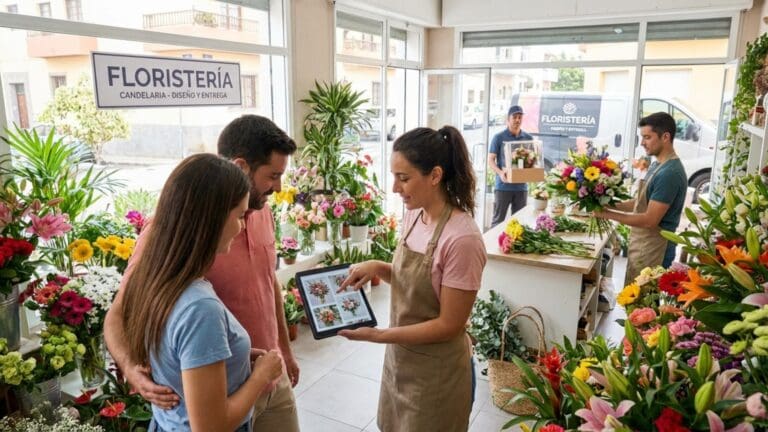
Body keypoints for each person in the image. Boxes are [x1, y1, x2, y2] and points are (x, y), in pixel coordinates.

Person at [105, 115, 301, 431]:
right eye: (272, 175)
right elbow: (119, 314)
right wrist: (130, 368)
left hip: (266, 375)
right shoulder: (172, 233)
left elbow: (268, 284)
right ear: (241, 166)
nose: (278, 187)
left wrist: (284, 352)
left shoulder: (262, 212)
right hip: (221, 399)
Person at [338, 126, 487, 432]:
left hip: (436, 375)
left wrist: (379, 336)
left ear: (434, 175)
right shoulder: (414, 215)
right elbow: (418, 283)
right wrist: (378, 266)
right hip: (401, 362)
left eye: (403, 178)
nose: (395, 188)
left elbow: (449, 324)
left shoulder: (462, 239)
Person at [595, 112, 687, 284]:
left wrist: (607, 215)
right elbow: (639, 204)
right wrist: (607, 205)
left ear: (665, 137)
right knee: (634, 303)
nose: (643, 143)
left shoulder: (670, 173)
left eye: (647, 137)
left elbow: (649, 220)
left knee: (645, 307)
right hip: (644, 245)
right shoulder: (657, 164)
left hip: (656, 250)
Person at [488, 105, 533, 227]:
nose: (517, 120)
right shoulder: (498, 137)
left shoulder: (528, 138)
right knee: (498, 221)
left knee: (519, 222)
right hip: (503, 186)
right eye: (514, 117)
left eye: (520, 117)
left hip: (521, 188)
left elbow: (532, 161)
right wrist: (501, 173)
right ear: (508, 119)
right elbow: (490, 160)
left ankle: (512, 245)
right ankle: (492, 245)